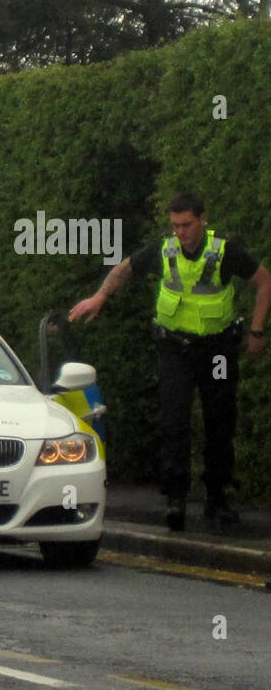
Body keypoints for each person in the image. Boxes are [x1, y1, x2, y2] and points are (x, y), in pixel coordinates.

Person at [69, 193, 271, 531]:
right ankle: (175, 499)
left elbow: (264, 281)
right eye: (175, 225)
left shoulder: (224, 250)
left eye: (187, 225)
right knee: (173, 420)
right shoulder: (165, 250)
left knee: (220, 418)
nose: (181, 232)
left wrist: (256, 330)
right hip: (175, 348)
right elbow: (124, 269)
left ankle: (217, 498)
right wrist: (100, 296)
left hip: (217, 349)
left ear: (202, 221)